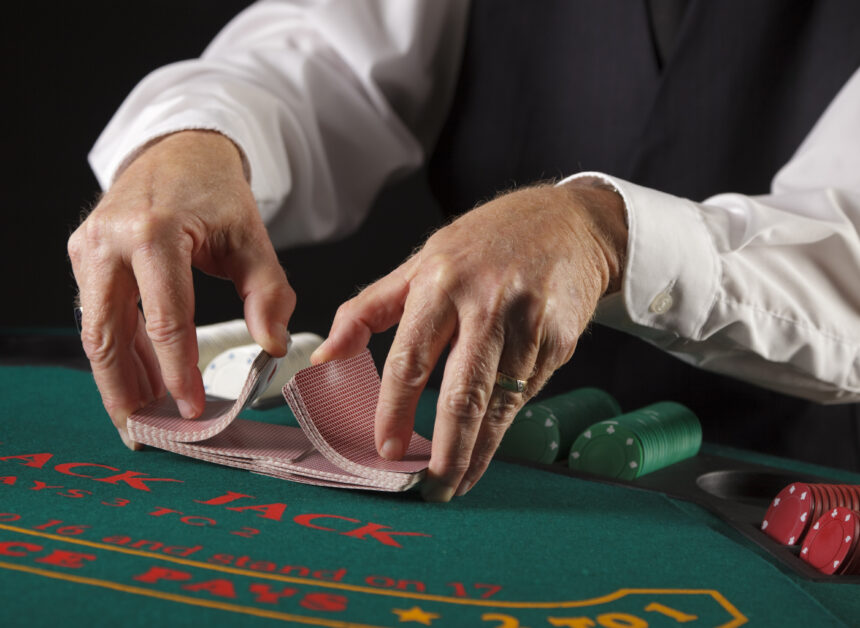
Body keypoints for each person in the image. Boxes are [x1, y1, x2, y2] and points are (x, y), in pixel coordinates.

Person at [68, 0, 860, 502]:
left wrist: (604, 230)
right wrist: (197, 135)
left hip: (770, 490)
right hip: (487, 473)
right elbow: (326, 50)